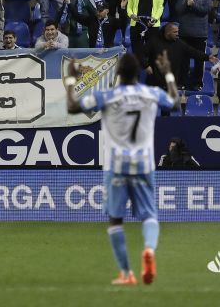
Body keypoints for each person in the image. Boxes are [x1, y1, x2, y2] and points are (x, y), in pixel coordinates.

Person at [65, 52, 178, 286]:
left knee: (116, 220)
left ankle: (127, 273)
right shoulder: (151, 93)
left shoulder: (107, 96)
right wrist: (167, 72)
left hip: (116, 165)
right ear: (138, 73)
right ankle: (148, 249)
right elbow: (175, 102)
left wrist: (71, 80)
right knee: (149, 215)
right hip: (144, 163)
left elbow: (73, 107)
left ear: (117, 73)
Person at [124, 0, 164, 66]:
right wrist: (131, 15)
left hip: (152, 25)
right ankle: (135, 78)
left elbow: (160, 6)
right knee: (136, 53)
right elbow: (129, 7)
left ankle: (152, 78)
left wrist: (155, 19)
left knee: (153, 53)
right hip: (136, 24)